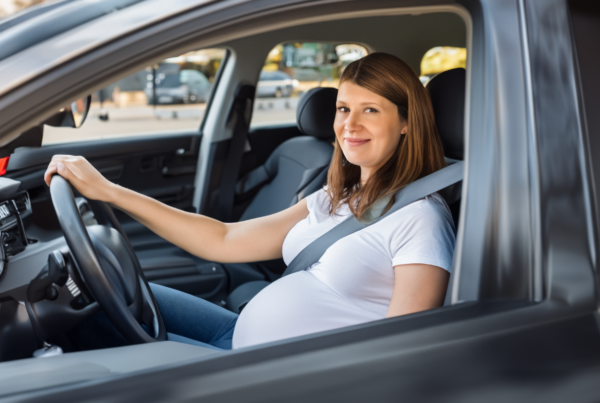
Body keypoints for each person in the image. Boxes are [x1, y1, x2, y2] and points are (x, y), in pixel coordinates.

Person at [44, 53, 455, 351]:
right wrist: (109, 193)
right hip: (239, 334)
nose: (349, 125)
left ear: (405, 123)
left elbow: (402, 352)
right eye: (343, 108)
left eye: (370, 110)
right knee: (93, 300)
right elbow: (222, 239)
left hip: (264, 376)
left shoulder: (420, 218)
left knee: (84, 328)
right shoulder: (338, 196)